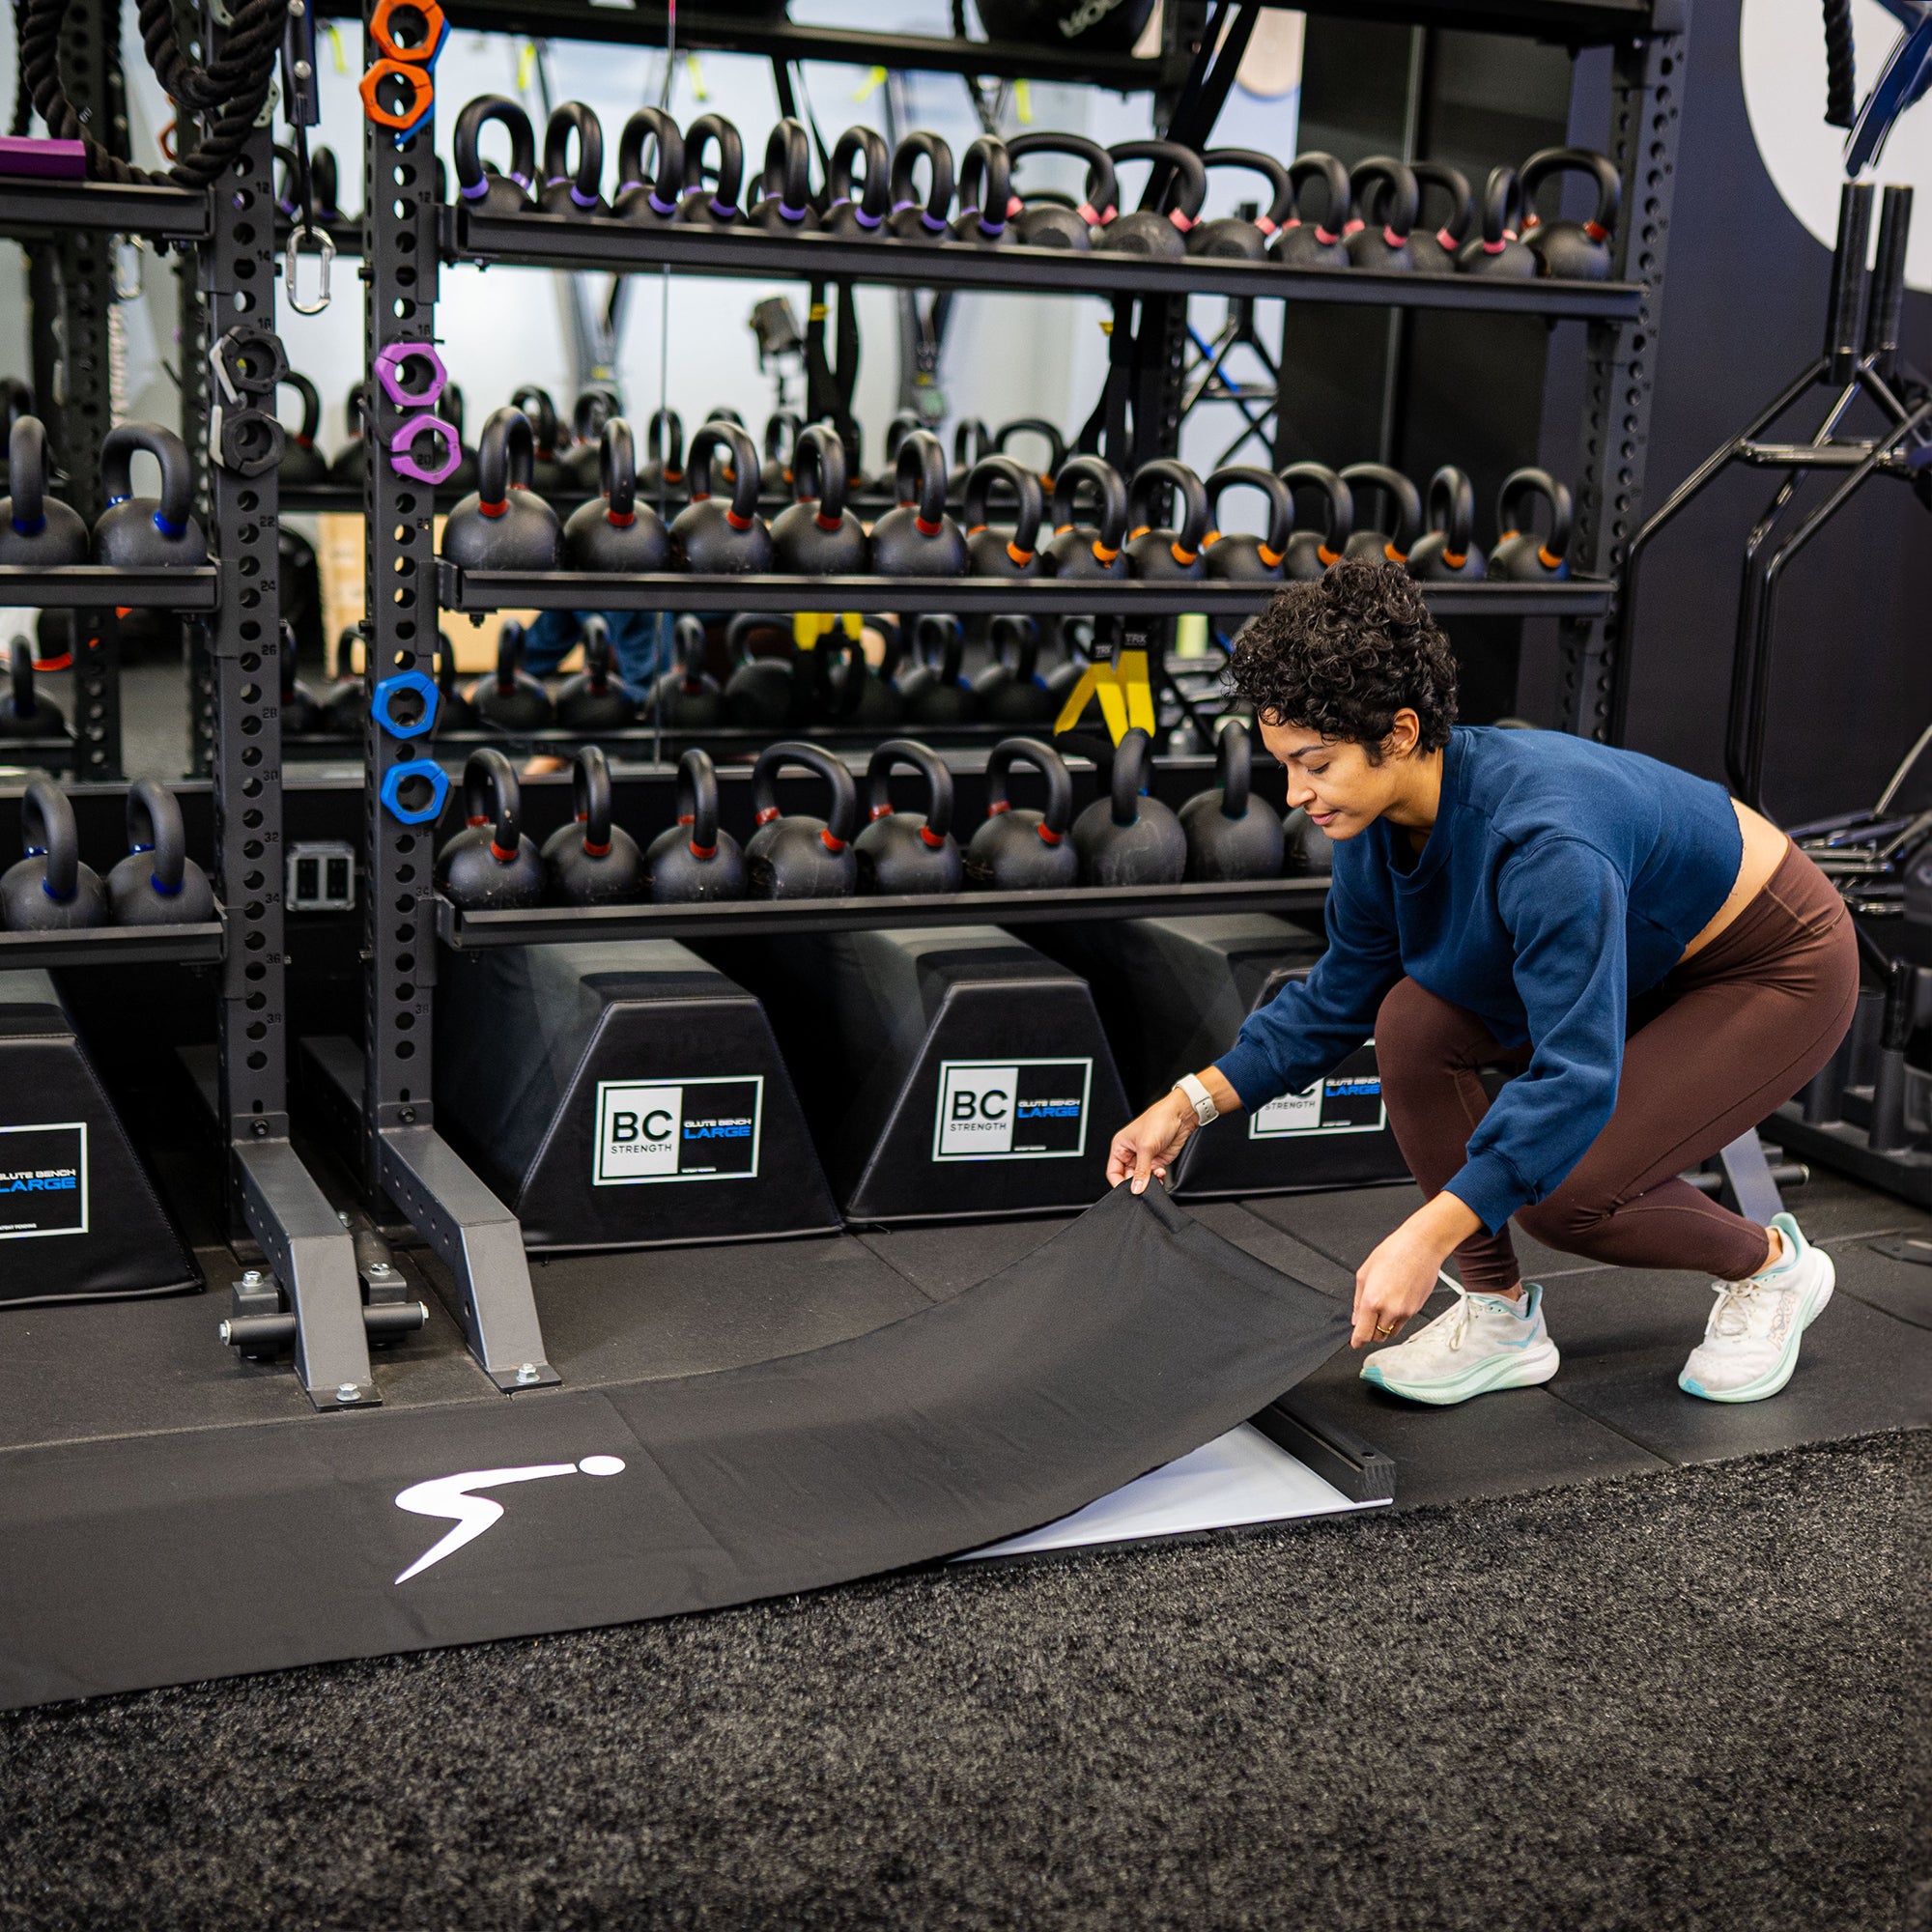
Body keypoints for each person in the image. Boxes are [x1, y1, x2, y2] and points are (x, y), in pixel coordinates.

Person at [1107, 559, 1860, 1406]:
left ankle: (1773, 1269)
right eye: (1285, 764)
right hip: (1647, 942)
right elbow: (1341, 993)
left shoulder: (1546, 844)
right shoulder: (1374, 817)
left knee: (1566, 1193)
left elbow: (1575, 1078)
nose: (1295, 793)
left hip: (1773, 963)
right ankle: (1501, 1315)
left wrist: (1427, 1234)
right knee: (1411, 1021)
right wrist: (1189, 1104)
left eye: (1313, 763)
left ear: (1398, 733)